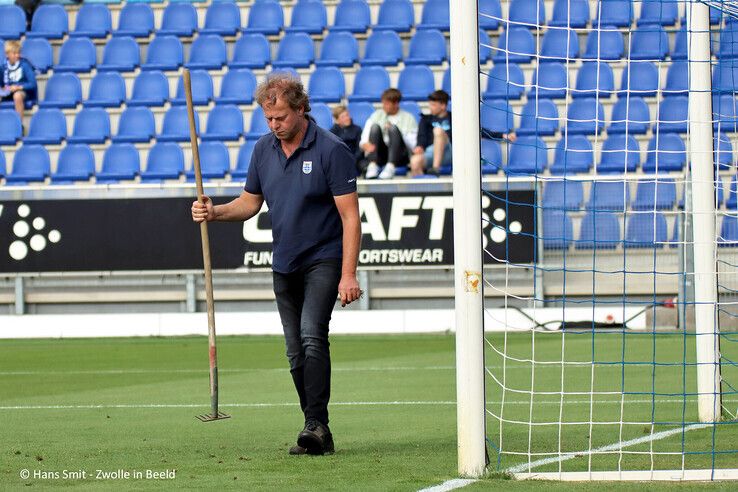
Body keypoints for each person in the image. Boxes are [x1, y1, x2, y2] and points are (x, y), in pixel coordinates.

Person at [191, 74, 362, 456]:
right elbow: (250, 203)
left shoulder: (332, 150)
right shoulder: (262, 150)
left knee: (312, 335)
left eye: (281, 117)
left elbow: (351, 217)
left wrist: (349, 274)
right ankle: (316, 427)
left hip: (323, 258)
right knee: (294, 350)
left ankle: (315, 424)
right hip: (283, 263)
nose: (274, 125)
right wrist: (214, 212)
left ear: (301, 109)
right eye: (268, 119)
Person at [360, 88, 418, 180]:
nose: (384, 106)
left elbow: (413, 145)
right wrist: (365, 144)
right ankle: (372, 165)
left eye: (387, 104)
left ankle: (391, 166)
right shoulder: (376, 115)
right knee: (375, 127)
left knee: (393, 129)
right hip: (381, 154)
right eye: (383, 103)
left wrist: (396, 130)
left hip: (400, 156)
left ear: (396, 104)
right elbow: (364, 138)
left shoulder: (408, 118)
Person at [410, 90, 452, 177]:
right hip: (431, 152)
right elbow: (421, 136)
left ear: (443, 106)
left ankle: (435, 168)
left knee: (438, 131)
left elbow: (476, 130)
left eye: (433, 105)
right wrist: (420, 146)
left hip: (450, 151)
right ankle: (423, 189)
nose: (430, 107)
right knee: (414, 161)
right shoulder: (425, 119)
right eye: (430, 104)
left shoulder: (454, 118)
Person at [2, 40, 37, 123]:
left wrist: (18, 87)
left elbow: (33, 84)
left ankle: (19, 126)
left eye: (18, 53)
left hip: (24, 92)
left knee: (17, 96)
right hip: (8, 91)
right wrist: (6, 88)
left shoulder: (25, 65)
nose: (17, 55)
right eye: (14, 53)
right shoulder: (3, 66)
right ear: (7, 55)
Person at [329, 105, 363, 175]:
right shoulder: (332, 132)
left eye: (347, 115)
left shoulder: (357, 129)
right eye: (343, 117)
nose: (347, 118)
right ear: (337, 120)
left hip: (355, 160)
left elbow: (359, 149)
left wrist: (352, 160)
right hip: (338, 161)